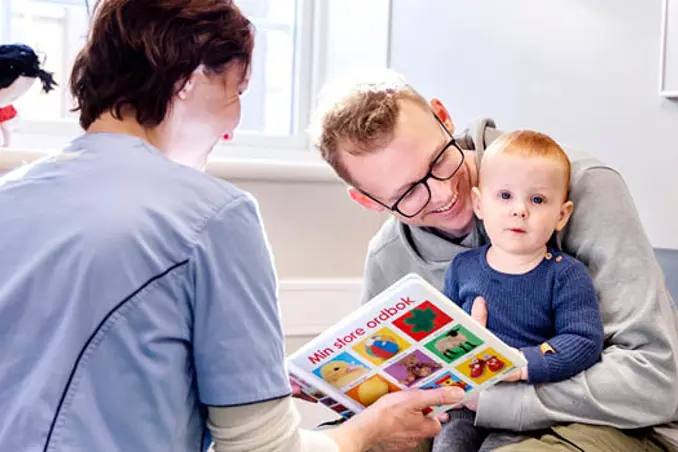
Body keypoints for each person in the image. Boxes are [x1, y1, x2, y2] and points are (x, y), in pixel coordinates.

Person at [0, 3, 464, 451]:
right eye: (237, 91)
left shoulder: (10, 197)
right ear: (191, 78)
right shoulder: (214, 217)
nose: (235, 123)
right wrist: (368, 431)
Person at [309, 70, 678, 451]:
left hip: (608, 424)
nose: (442, 194)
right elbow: (389, 393)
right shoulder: (390, 255)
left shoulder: (575, 185)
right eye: (408, 194)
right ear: (368, 202)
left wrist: (495, 401)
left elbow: (654, 381)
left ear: (443, 117)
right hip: (456, 422)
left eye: (438, 160)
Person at [432, 130, 604, 452]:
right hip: (466, 401)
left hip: (525, 403)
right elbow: (443, 332)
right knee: (447, 447)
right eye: (505, 196)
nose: (520, 210)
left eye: (537, 200)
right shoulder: (462, 267)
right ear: (480, 204)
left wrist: (521, 363)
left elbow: (584, 340)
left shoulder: (566, 274)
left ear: (561, 215)